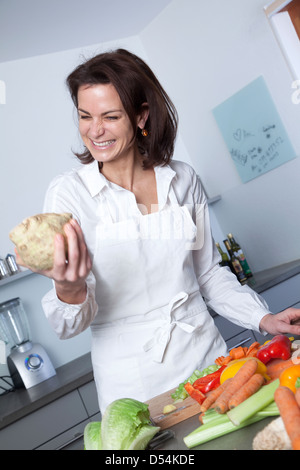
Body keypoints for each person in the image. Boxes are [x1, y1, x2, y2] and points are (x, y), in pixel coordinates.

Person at [16, 49, 300, 413]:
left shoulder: (182, 180)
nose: (94, 130)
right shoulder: (68, 194)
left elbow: (208, 273)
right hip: (132, 379)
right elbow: (68, 326)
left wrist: (263, 318)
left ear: (141, 116)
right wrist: (68, 288)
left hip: (206, 356)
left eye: (110, 116)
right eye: (85, 116)